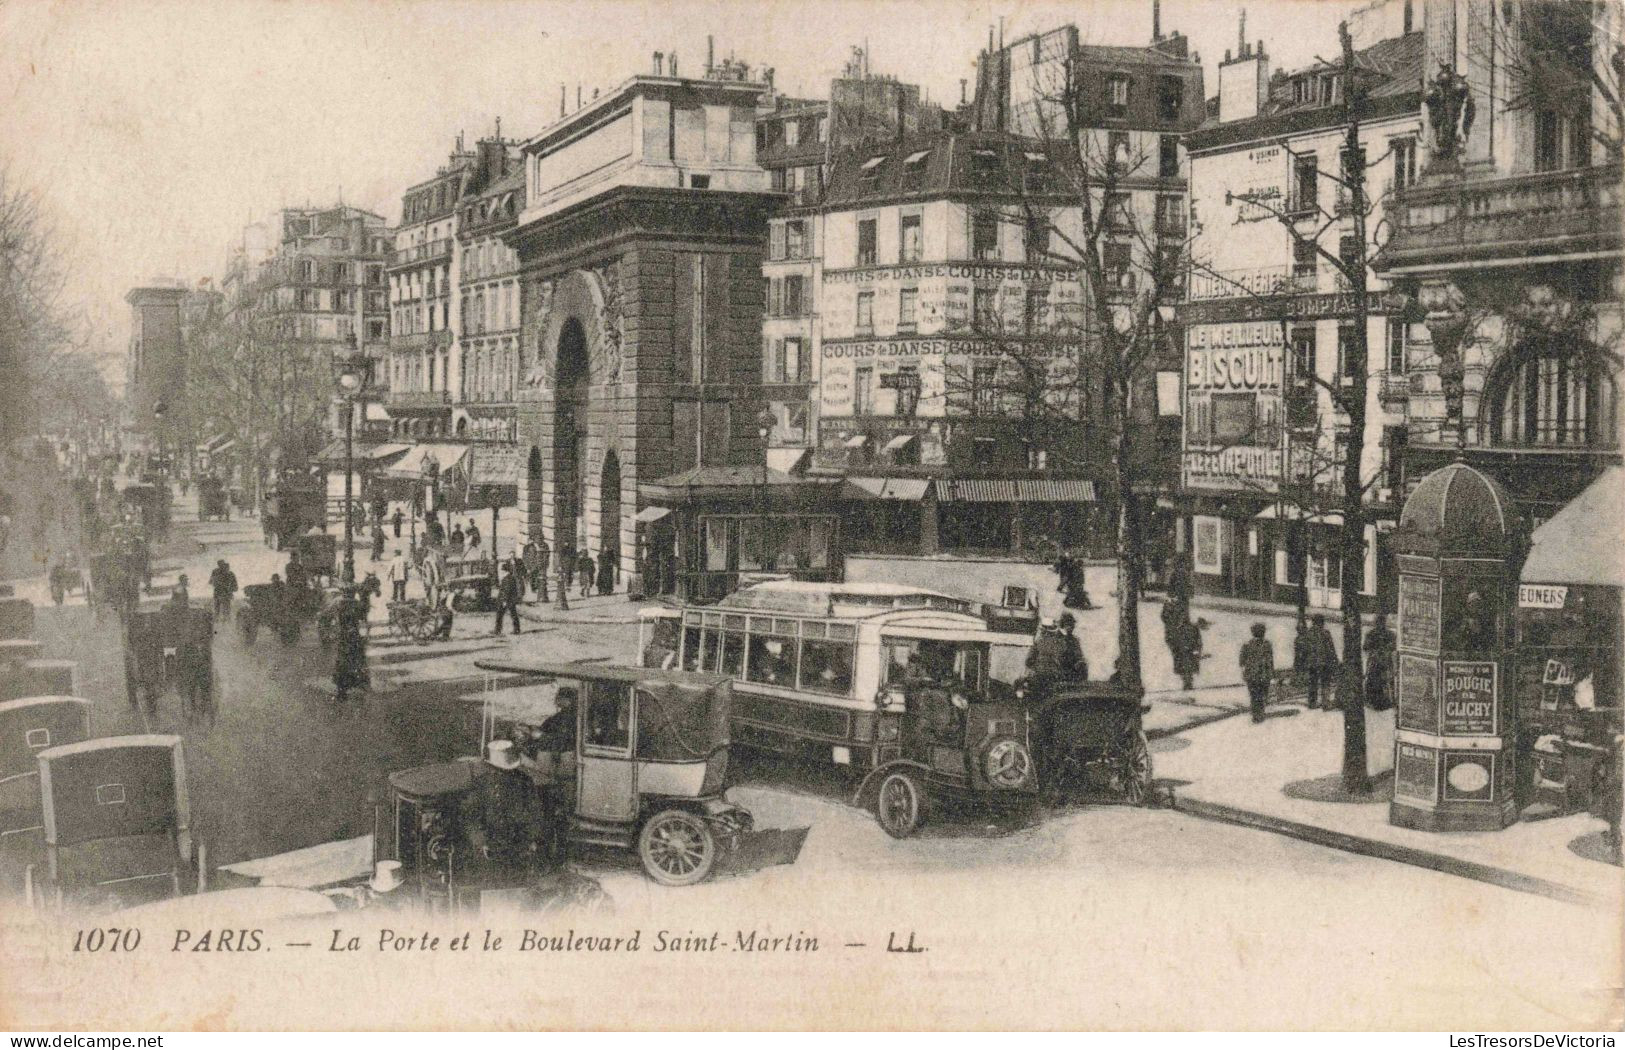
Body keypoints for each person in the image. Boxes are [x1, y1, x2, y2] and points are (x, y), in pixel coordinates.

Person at [467, 740, 549, 883]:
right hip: (492, 844)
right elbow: (473, 815)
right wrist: (481, 841)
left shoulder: (525, 782)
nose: (499, 773)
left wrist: (532, 839)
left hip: (519, 842)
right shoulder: (481, 784)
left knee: (518, 882)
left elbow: (535, 813)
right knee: (493, 883)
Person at [1298, 614, 1338, 710]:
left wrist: (1303, 662)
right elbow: (1331, 649)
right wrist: (1334, 660)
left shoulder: (1308, 633)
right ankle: (1325, 703)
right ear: (1321, 622)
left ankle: (1312, 703)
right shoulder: (1326, 633)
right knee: (1325, 682)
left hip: (1312, 663)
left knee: (1313, 683)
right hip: (1325, 663)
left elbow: (1304, 650)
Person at [1240, 623, 1275, 723]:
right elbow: (1270, 660)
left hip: (1252, 675)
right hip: (1264, 674)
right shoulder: (1267, 644)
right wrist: (1271, 673)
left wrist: (1246, 671)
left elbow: (1241, 661)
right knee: (1262, 694)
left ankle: (1256, 714)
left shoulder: (1247, 644)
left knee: (1254, 695)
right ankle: (1259, 713)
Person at [1364, 614, 1397, 711]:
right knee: (1385, 681)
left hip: (1375, 661)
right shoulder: (1391, 634)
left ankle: (1373, 700)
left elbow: (1366, 647)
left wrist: (1374, 651)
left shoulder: (1370, 634)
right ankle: (1386, 700)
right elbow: (1393, 647)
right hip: (1385, 661)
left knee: (1373, 680)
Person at [1170, 613, 1203, 691]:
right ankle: (1187, 683)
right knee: (1187, 670)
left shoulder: (1179, 629)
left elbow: (1174, 642)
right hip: (1186, 653)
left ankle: (1187, 683)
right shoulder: (1189, 628)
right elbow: (1198, 641)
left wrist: (1175, 651)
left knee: (1186, 670)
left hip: (1185, 653)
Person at [494, 562, 522, 636]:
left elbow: (507, 590)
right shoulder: (509, 577)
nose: (501, 572)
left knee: (500, 614)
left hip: (506, 600)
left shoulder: (507, 578)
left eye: (502, 570)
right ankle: (516, 629)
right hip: (509, 599)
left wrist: (504, 601)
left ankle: (498, 630)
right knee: (513, 614)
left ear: (505, 570)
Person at [524, 538, 549, 602]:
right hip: (530, 564)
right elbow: (525, 557)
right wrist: (527, 566)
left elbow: (538, 555)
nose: (531, 541)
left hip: (535, 564)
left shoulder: (535, 547)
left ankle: (535, 588)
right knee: (531, 577)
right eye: (530, 540)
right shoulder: (526, 547)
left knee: (535, 577)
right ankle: (533, 588)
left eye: (532, 540)